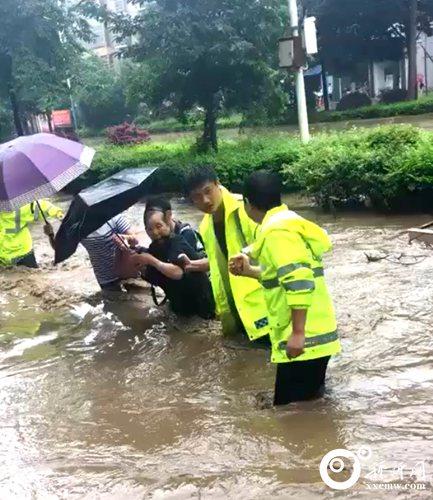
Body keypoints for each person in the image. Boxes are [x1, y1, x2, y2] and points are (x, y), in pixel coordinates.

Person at [229, 170, 341, 405]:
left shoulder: (278, 233)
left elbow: (299, 281)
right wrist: (249, 271)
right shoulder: (287, 223)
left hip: (305, 339)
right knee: (311, 406)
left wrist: (298, 333)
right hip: (314, 337)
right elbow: (283, 277)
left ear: (248, 203)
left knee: (291, 413)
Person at [183, 166, 270, 343]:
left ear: (218, 184)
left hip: (262, 306)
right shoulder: (205, 226)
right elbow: (217, 266)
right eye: (197, 197)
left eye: (208, 191)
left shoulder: (246, 209)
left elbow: (272, 245)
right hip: (234, 309)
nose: (205, 200)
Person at [133, 200, 215, 319]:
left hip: (200, 305)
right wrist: (141, 266)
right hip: (179, 307)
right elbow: (157, 278)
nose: (155, 232)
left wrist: (151, 260)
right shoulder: (154, 247)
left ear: (168, 220)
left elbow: (178, 273)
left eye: (158, 226)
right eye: (150, 229)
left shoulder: (179, 239)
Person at [80, 214, 140, 292]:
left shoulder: (114, 218)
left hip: (127, 267)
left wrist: (125, 237)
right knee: (115, 303)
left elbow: (135, 241)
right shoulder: (78, 229)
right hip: (105, 276)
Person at [0, 199, 63, 268]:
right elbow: (42, 206)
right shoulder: (21, 204)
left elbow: (41, 206)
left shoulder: (21, 205)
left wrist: (59, 214)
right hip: (15, 253)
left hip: (22, 253)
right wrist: (59, 214)